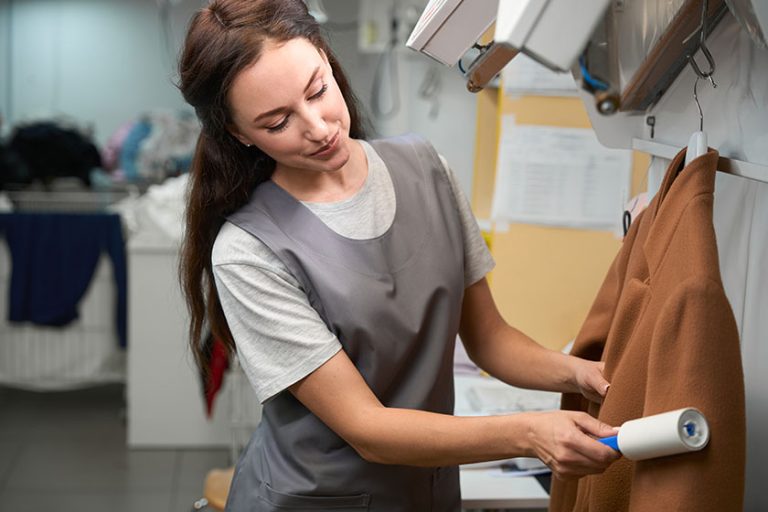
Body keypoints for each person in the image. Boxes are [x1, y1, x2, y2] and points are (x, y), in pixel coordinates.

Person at [178, 1, 620, 510]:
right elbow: (369, 429)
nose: (318, 127)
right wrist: (530, 432)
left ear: (325, 57)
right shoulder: (249, 250)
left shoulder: (427, 171)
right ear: (238, 134)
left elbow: (490, 341)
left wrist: (580, 373)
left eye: (318, 91)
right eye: (278, 122)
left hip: (426, 492)